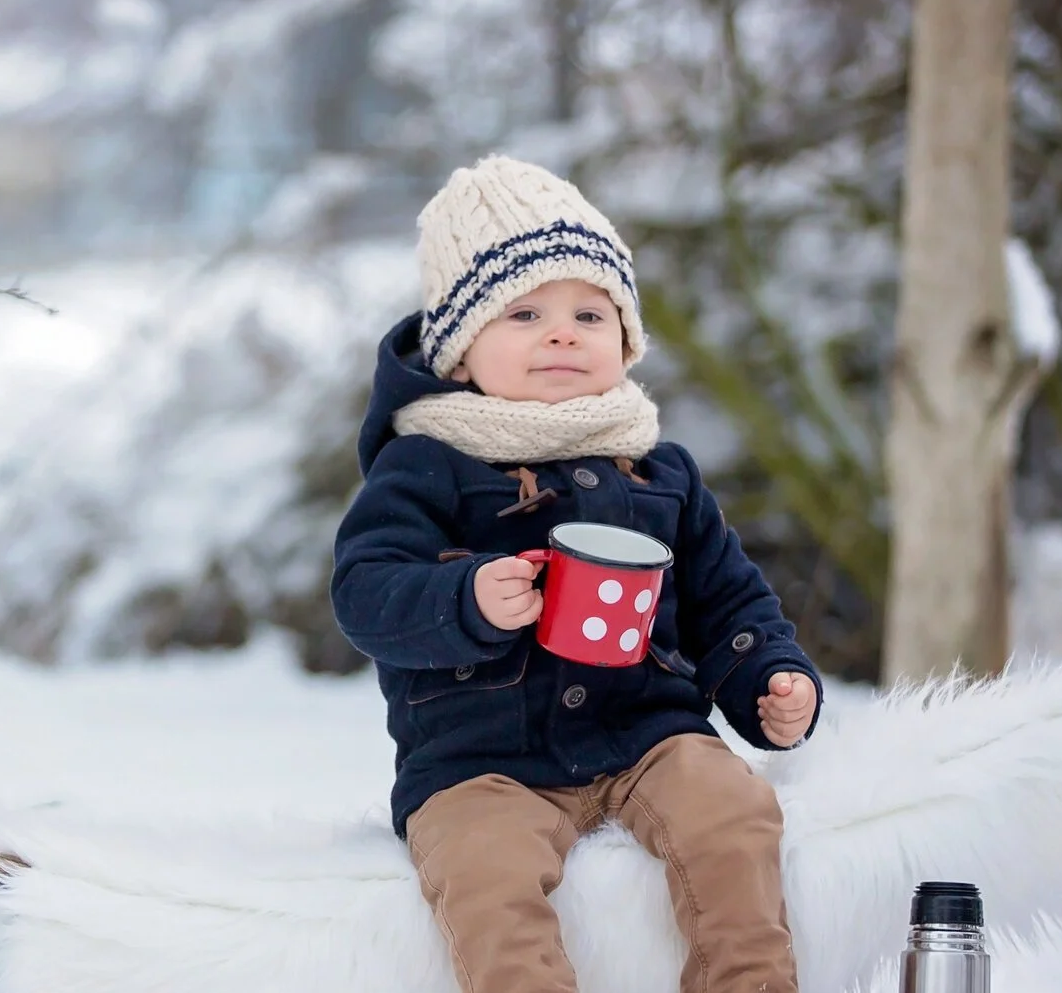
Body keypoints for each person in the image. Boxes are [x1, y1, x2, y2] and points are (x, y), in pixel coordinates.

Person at [331, 154, 824, 993]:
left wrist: (770, 676)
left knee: (733, 813)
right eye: (524, 312)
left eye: (590, 313)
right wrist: (467, 597)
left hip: (647, 735)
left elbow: (725, 595)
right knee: (485, 879)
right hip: (478, 759)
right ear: (459, 354)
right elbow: (365, 591)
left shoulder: (655, 469)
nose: (562, 332)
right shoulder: (428, 464)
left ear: (625, 343)